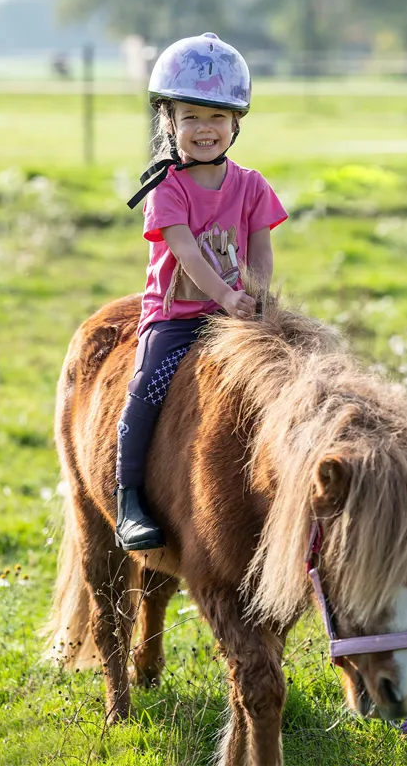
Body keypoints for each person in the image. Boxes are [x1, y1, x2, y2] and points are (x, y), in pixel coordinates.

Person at [115, 32, 288, 551]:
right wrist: (228, 297)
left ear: (236, 123)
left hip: (235, 316)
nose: (205, 129)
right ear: (169, 123)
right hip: (178, 316)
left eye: (217, 117)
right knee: (147, 386)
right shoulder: (166, 188)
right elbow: (187, 253)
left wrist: (255, 296)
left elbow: (261, 250)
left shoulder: (253, 186)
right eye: (190, 116)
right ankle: (129, 497)